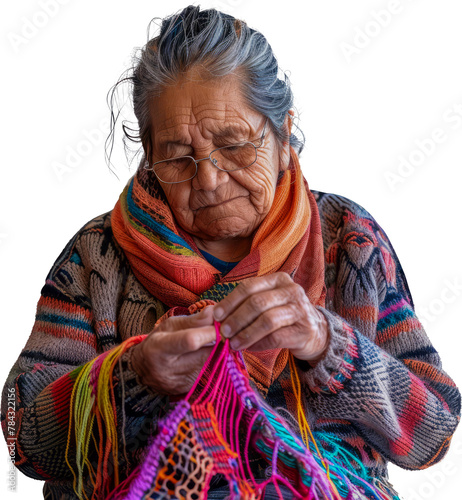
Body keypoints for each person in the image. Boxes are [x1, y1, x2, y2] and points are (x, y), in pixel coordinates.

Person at [1, 5, 460, 499]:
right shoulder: (96, 258)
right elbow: (24, 435)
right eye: (177, 155)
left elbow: (431, 437)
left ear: (283, 135)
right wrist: (134, 377)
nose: (210, 179)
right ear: (150, 160)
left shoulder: (349, 240)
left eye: (236, 145)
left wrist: (329, 345)